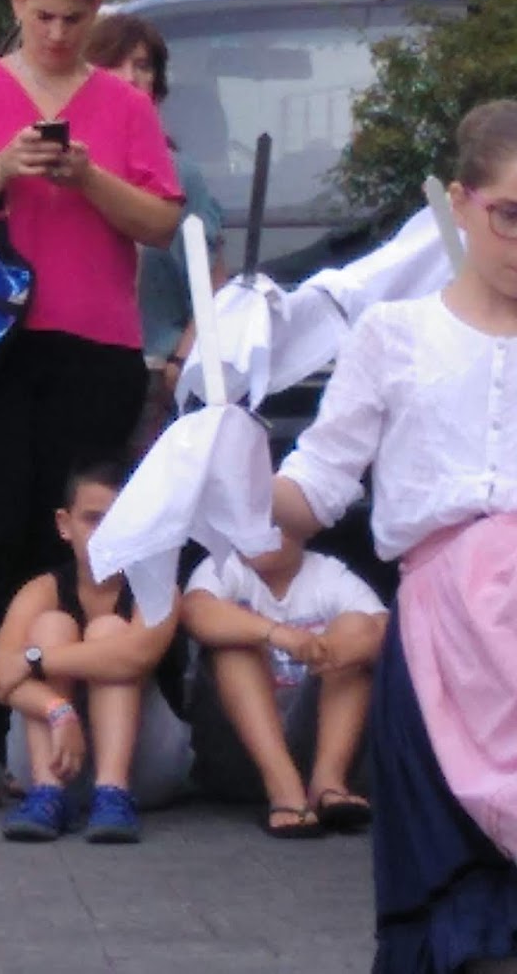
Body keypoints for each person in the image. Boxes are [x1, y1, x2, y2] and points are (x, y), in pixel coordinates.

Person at [0, 0, 182, 808]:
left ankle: (50, 733)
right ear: (16, 3)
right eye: (44, 16)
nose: (58, 34)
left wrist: (88, 177)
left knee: (64, 544)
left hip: (95, 348)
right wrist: (4, 166)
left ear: (96, 11)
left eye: (74, 18)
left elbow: (162, 222)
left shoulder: (124, 106)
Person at [272, 101, 517, 970]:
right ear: (461, 202)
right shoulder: (395, 332)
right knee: (448, 890)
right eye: (510, 214)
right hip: (440, 633)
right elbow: (317, 485)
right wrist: (228, 476)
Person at [0, 460, 190, 843]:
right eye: (93, 519)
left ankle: (113, 791)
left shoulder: (157, 587)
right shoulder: (42, 589)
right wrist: (57, 710)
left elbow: (134, 656)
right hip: (49, 761)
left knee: (108, 631)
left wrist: (34, 660)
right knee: (51, 624)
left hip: (143, 769)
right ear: (64, 524)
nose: (106, 533)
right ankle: (48, 793)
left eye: (121, 520)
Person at [181, 528, 385, 837]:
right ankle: (284, 789)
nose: (262, 531)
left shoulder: (329, 573)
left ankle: (328, 783)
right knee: (234, 643)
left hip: (314, 745)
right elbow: (196, 612)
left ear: (304, 525)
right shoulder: (223, 566)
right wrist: (278, 634)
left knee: (358, 632)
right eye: (252, 520)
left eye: (276, 521)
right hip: (237, 756)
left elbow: (385, 630)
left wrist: (334, 651)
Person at [83, 13, 226, 426]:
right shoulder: (64, 164)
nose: (129, 77)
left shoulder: (181, 174)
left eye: (143, 66)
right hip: (77, 368)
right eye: (114, 64)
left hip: (155, 374)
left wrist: (182, 359)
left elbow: (215, 286)